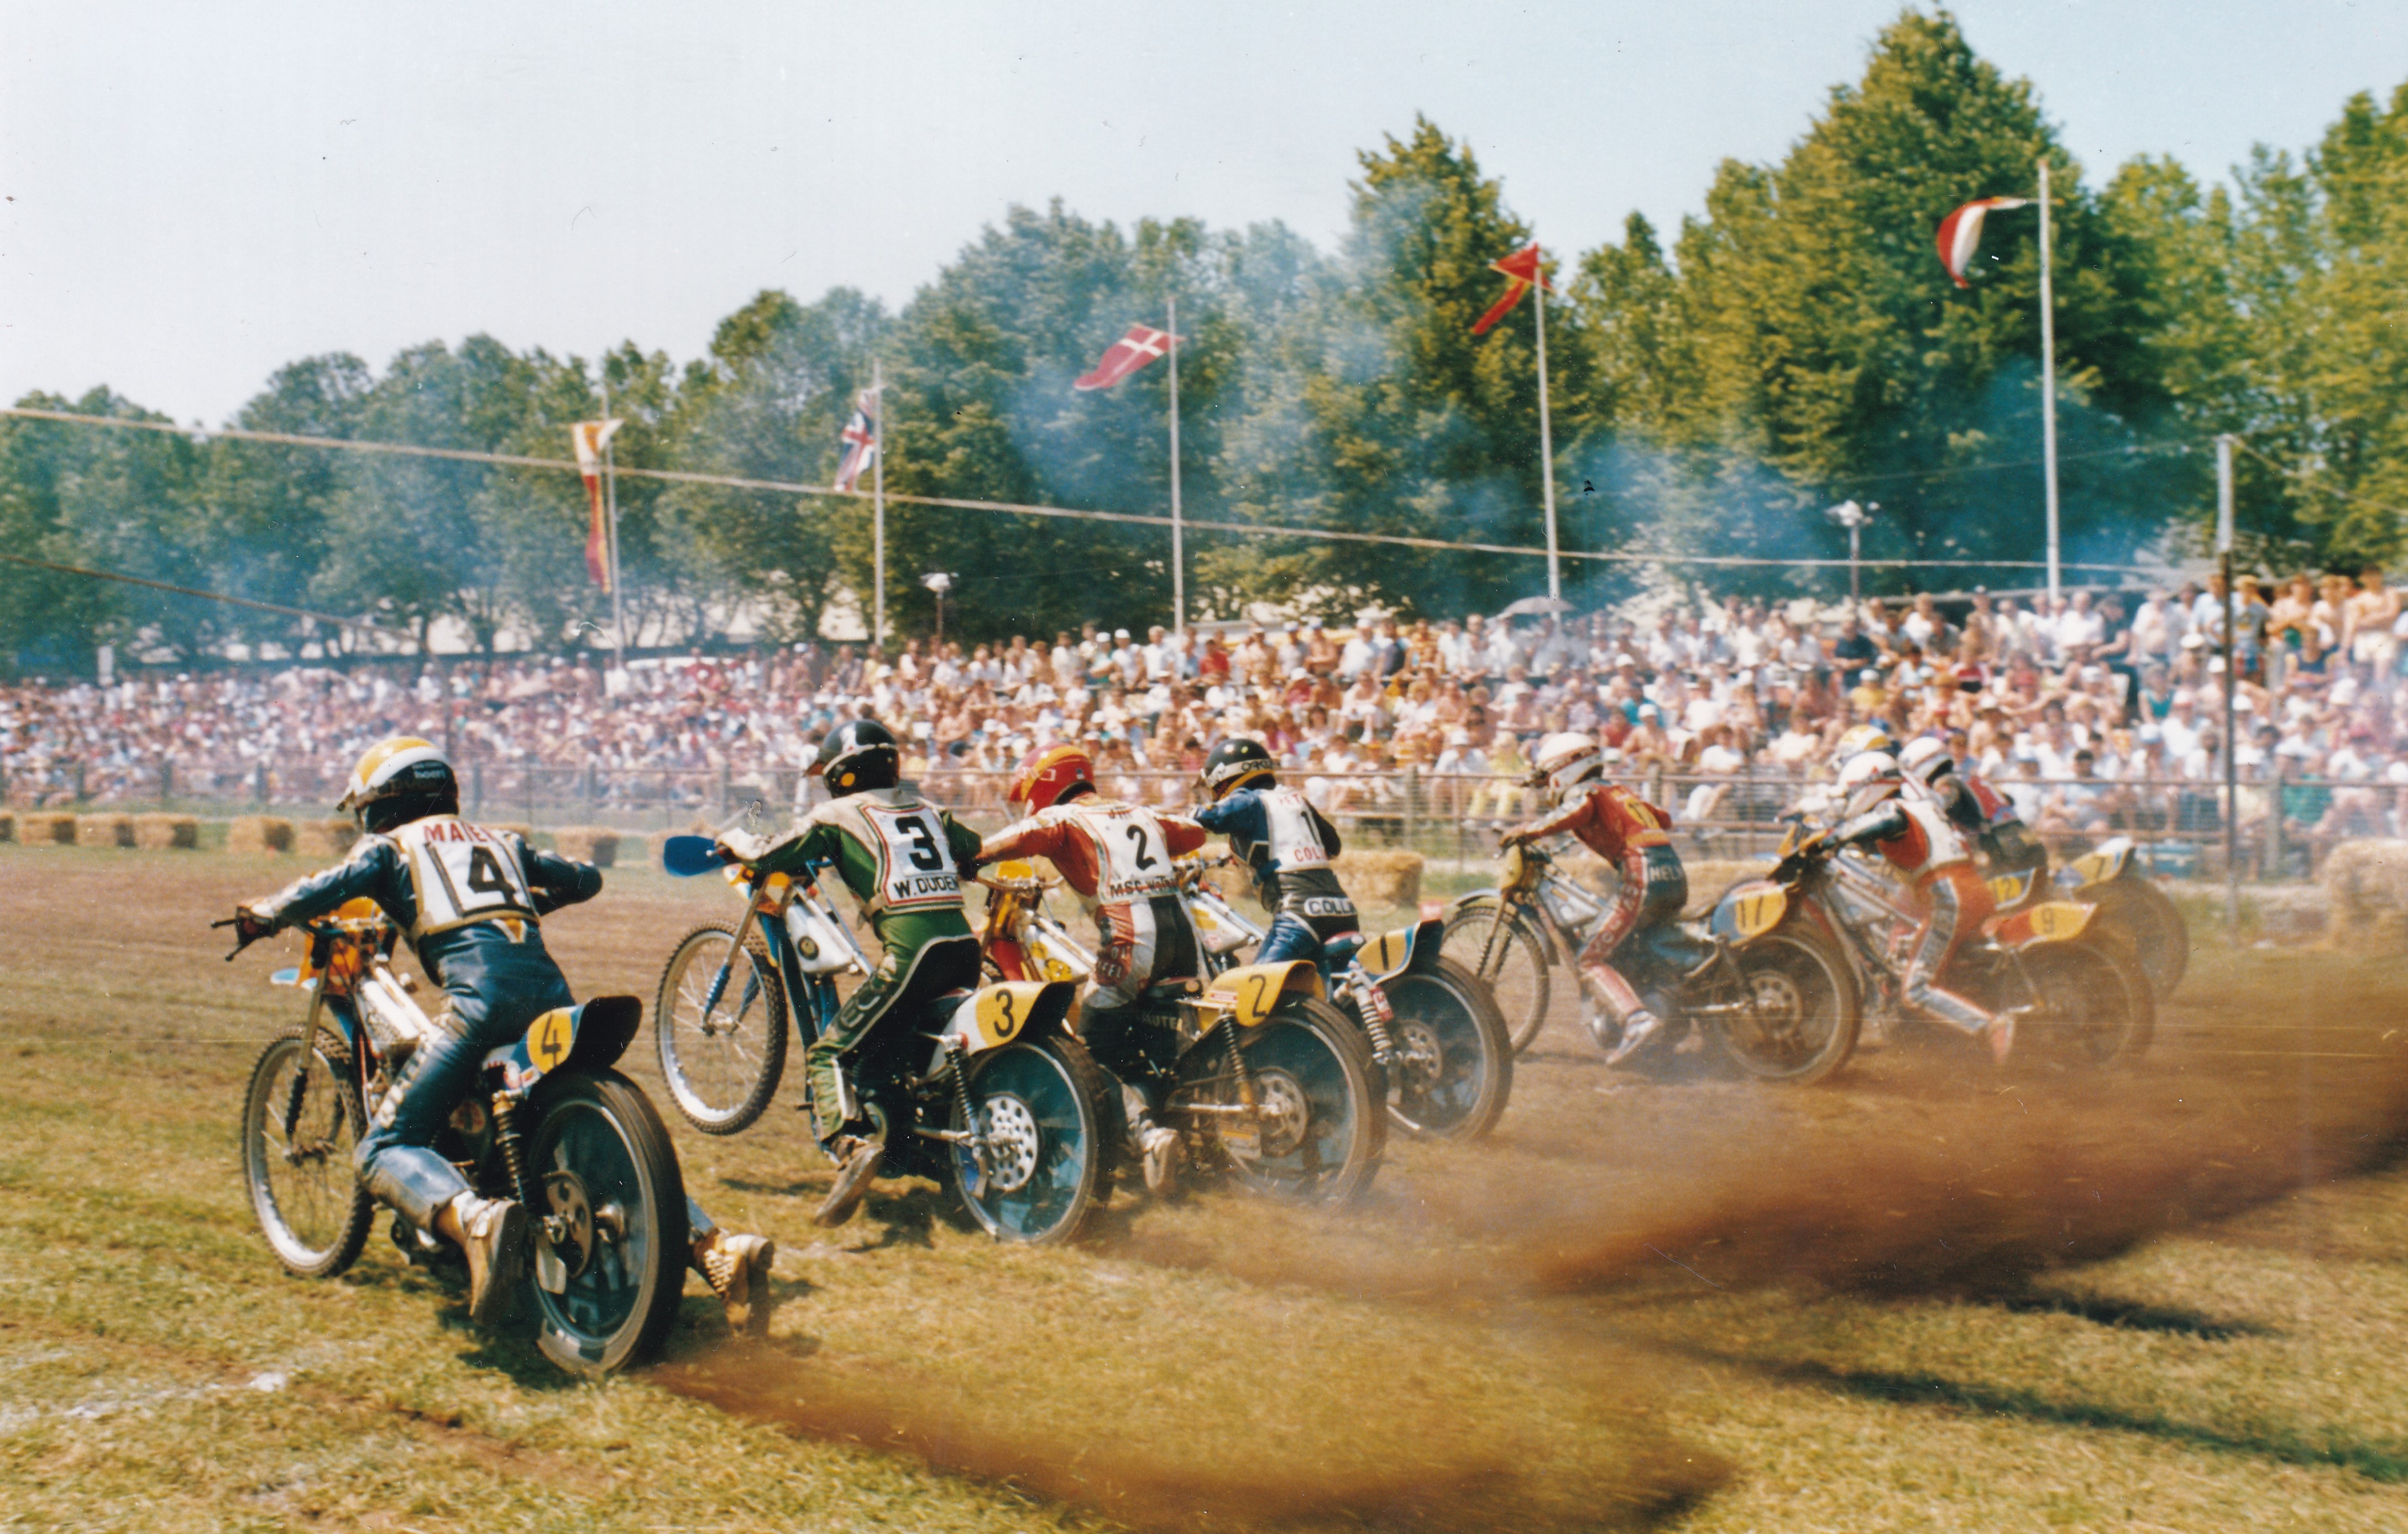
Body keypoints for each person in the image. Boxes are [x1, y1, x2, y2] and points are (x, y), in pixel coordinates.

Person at [227, 738, 776, 1331]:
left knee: (382, 1146)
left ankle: (475, 1222)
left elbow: (325, 886)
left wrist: (264, 913)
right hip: (551, 997)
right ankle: (717, 1248)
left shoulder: (389, 846)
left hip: (479, 1003)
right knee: (584, 1145)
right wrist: (523, 905)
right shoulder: (502, 840)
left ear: (383, 802)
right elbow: (585, 878)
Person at [714, 719, 985, 1228]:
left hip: (912, 955)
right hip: (964, 947)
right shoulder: (929, 809)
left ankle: (849, 1146)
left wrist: (735, 839)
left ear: (842, 773)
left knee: (829, 1051)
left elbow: (772, 851)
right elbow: (973, 848)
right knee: (896, 1046)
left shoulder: (836, 813)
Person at [974, 744, 1208, 1193]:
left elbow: (1021, 835)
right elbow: (1193, 832)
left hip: (1133, 941)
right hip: (1184, 941)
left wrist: (971, 857)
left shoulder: (1063, 815)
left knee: (1090, 1049)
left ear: (1045, 784)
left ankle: (1147, 1137)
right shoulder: (1138, 810)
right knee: (1152, 1037)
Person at [1496, 732, 1687, 1064]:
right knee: (1634, 948)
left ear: (1564, 770)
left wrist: (1528, 830)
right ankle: (1656, 1010)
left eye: (1548, 779)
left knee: (1589, 958)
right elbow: (1663, 818)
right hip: (1673, 875)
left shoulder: (1585, 793)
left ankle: (1637, 1021)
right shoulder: (1618, 790)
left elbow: (1577, 809)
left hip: (1642, 876)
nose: (1548, 789)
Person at [1813, 751, 2015, 1062]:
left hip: (1949, 896)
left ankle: (1992, 1027)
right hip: (1971, 888)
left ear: (1868, 785)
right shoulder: (1921, 806)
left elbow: (1885, 822)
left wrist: (1832, 838)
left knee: (1917, 990)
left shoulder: (1893, 810)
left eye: (1851, 792)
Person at [1188, 737, 1361, 967]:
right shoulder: (1297, 800)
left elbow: (1206, 817)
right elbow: (1333, 846)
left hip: (1299, 914)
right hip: (1343, 909)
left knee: (1259, 981)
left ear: (1225, 778)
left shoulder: (1248, 801)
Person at [1897, 735, 2049, 876]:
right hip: (2027, 838)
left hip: (2004, 848)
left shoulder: (1945, 784)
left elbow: (1948, 807)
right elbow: (2008, 800)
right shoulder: (1970, 778)